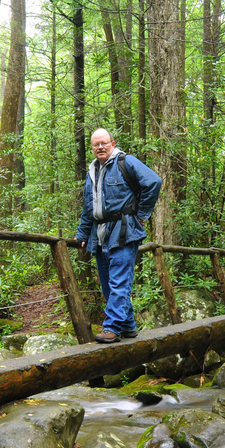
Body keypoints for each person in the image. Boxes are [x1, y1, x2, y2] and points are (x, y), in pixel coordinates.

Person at [76, 128, 162, 343]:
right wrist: (83, 232)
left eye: (104, 143)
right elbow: (89, 206)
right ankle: (129, 326)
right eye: (96, 144)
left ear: (112, 143)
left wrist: (141, 214)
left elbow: (154, 182)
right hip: (99, 235)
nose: (100, 147)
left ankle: (112, 327)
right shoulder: (92, 171)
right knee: (107, 285)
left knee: (119, 283)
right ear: (92, 148)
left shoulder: (126, 162)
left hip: (123, 232)